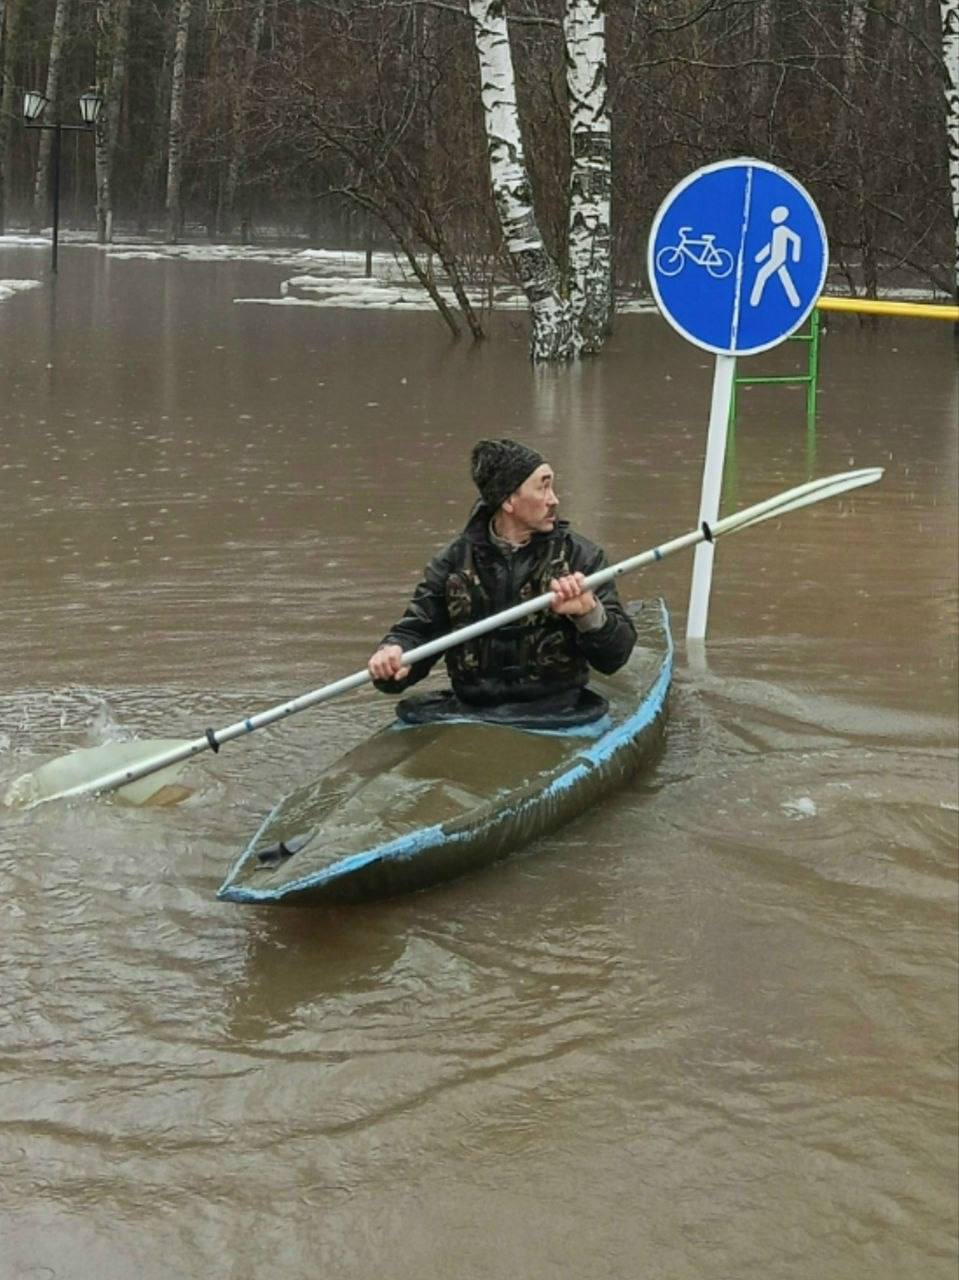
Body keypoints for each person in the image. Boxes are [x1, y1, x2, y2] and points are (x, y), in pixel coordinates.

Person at [367, 439, 636, 728]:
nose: (554, 500)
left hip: (557, 712)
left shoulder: (581, 557)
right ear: (508, 501)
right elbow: (415, 633)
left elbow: (615, 657)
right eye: (543, 487)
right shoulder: (452, 562)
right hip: (471, 710)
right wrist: (392, 655)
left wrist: (588, 613)